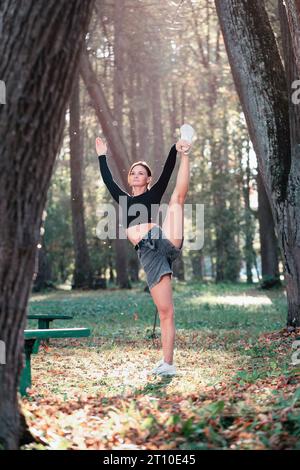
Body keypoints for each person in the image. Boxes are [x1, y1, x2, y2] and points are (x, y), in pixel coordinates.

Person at [96, 136, 191, 376]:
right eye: (133, 173)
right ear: (129, 180)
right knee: (165, 312)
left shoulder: (153, 194)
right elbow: (108, 181)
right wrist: (101, 156)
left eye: (141, 173)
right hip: (150, 255)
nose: (137, 175)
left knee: (177, 200)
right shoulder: (124, 200)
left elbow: (168, 171)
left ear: (148, 179)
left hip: (163, 240)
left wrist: (175, 149)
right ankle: (167, 363)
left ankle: (188, 154)